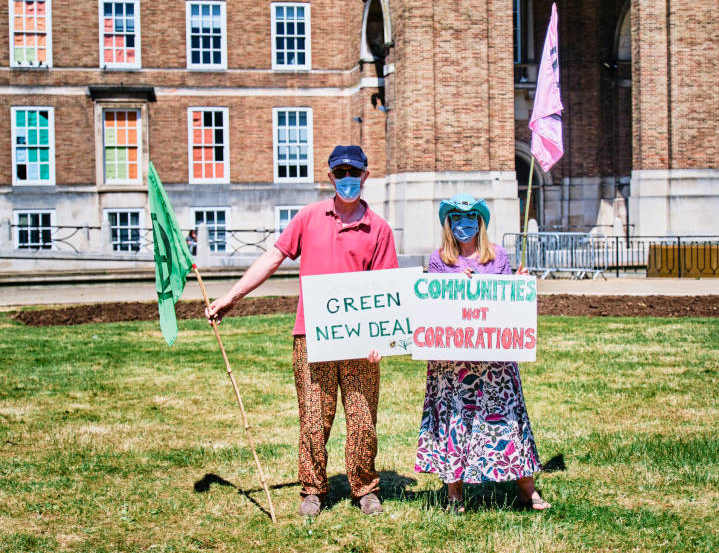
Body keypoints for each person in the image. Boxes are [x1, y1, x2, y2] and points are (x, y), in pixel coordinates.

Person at [205, 145, 398, 517]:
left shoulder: (380, 228)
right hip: (311, 336)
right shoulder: (308, 217)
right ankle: (312, 489)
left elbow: (387, 289)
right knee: (312, 417)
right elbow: (272, 257)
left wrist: (382, 339)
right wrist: (231, 297)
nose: (347, 179)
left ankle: (365, 487)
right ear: (329, 177)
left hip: (360, 340)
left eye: (353, 172)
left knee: (362, 418)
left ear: (365, 176)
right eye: (340, 172)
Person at [413, 193, 550, 513]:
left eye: (471, 217)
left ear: (481, 222)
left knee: (508, 421)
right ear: (449, 224)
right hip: (453, 366)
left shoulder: (499, 256)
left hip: (495, 364)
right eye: (457, 218)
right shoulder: (438, 260)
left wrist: (519, 285)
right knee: (454, 423)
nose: (464, 224)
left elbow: (510, 305)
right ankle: (455, 494)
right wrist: (453, 284)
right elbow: (432, 307)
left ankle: (527, 490)